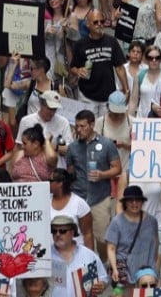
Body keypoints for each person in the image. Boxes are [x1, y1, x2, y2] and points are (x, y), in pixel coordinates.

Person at [66, 109, 122, 261]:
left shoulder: (106, 144)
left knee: (102, 238)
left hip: (100, 198)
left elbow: (117, 168)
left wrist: (102, 174)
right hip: (79, 198)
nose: (79, 130)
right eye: (77, 126)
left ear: (92, 125)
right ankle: (84, 266)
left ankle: (104, 263)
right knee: (79, 237)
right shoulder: (72, 148)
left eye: (83, 126)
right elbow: (70, 170)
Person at [106, 185, 160, 288]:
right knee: (121, 295)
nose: (134, 203)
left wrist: (153, 266)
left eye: (138, 200)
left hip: (146, 271)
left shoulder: (152, 221)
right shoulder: (116, 222)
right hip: (125, 271)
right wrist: (115, 269)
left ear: (142, 202)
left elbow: (155, 245)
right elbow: (111, 248)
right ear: (125, 202)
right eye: (130, 200)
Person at [49, 213, 108, 297]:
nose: (58, 234)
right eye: (54, 231)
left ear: (72, 232)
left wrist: (101, 285)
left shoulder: (88, 255)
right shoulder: (45, 257)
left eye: (62, 231)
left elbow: (103, 278)